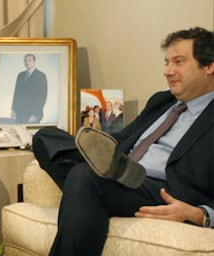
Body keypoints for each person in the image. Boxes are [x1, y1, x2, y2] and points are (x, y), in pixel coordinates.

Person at [32, 27, 214, 255]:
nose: (168, 71)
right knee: (45, 137)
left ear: (209, 65)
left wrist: (201, 214)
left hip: (161, 190)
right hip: (122, 173)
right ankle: (111, 171)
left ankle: (107, 174)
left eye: (178, 62)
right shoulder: (161, 101)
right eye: (166, 63)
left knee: (84, 176)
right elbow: (124, 139)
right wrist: (92, 142)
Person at [11, 53, 47, 124]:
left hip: (32, 114)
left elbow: (42, 96)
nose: (27, 62)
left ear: (34, 61)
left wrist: (35, 114)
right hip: (19, 113)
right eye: (26, 61)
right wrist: (13, 109)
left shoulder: (41, 75)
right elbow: (16, 93)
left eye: (30, 60)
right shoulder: (20, 75)